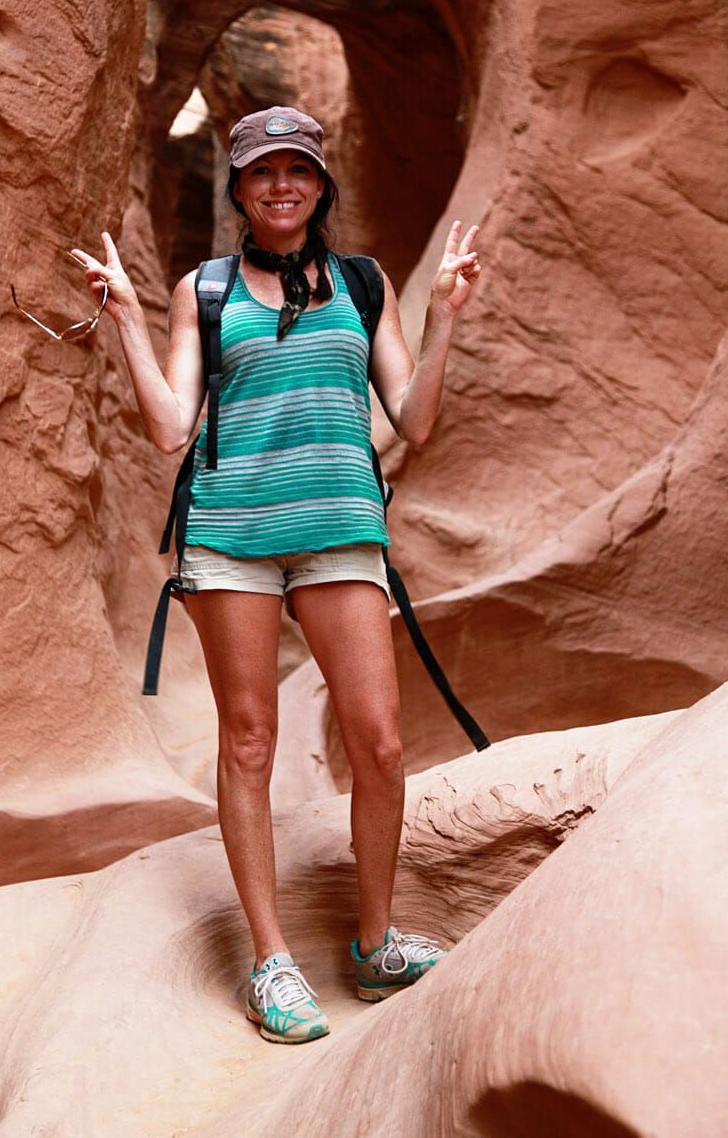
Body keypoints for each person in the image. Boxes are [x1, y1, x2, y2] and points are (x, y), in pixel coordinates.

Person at [72, 106, 482, 1045]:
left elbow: (414, 420)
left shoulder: (363, 284)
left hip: (340, 530)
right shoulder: (206, 290)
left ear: (320, 184)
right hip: (232, 538)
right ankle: (271, 961)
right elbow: (169, 427)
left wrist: (445, 317)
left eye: (296, 169)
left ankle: (374, 945)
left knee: (381, 744)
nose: (281, 186)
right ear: (240, 190)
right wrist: (128, 319)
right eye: (262, 172)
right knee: (250, 742)